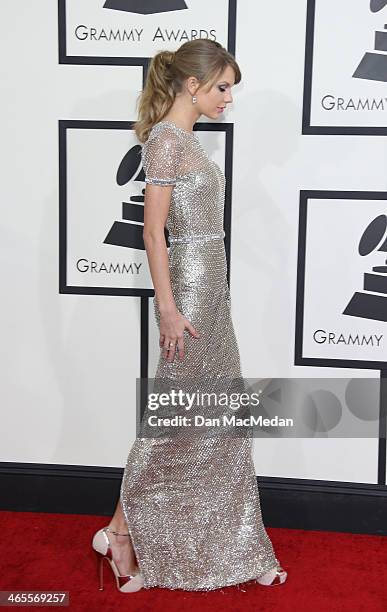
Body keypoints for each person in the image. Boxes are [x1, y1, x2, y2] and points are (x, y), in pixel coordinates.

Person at [91, 39, 287, 593]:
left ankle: (214, 543)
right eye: (223, 87)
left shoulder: (188, 142)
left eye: (232, 88)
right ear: (193, 85)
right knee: (177, 417)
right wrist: (170, 309)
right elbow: (153, 233)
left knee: (214, 416)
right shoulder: (167, 141)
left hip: (211, 292)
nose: (229, 98)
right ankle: (123, 530)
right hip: (189, 296)